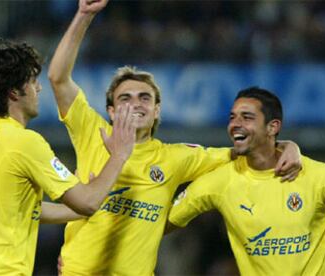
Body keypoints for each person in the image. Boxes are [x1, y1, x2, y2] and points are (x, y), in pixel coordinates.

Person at [49, 1, 304, 275]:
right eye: (125, 98)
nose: (136, 104)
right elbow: (58, 78)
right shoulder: (91, 131)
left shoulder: (176, 157)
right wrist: (84, 15)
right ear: (111, 111)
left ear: (156, 110)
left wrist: (287, 145)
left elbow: (244, 150)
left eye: (144, 98)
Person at [0, 38, 136, 275]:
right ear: (14, 92)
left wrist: (73, 210)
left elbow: (21, 208)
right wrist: (119, 154)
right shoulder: (24, 142)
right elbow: (88, 202)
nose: (39, 88)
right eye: (33, 81)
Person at [167, 87, 325, 275]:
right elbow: (160, 223)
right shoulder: (219, 182)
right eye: (232, 117)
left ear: (273, 126)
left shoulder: (319, 176)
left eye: (247, 117)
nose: (235, 124)